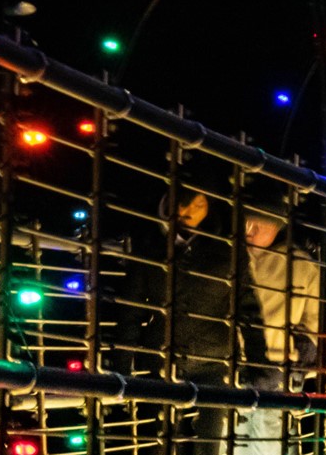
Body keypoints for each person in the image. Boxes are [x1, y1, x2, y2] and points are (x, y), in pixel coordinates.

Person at [113, 168, 268, 455]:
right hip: (159, 359)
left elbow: (249, 310)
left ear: (210, 206)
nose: (190, 211)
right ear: (168, 200)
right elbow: (130, 311)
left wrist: (260, 364)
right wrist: (121, 369)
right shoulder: (149, 247)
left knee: (207, 444)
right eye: (185, 202)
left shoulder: (226, 251)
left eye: (200, 203)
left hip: (212, 360)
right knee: (158, 442)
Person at [237, 193, 323, 455]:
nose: (250, 233)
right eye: (247, 224)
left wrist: (303, 348)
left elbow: (317, 317)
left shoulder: (301, 265)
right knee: (234, 440)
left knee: (270, 440)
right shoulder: (228, 256)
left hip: (279, 365)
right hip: (234, 366)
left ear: (277, 229)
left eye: (260, 226)